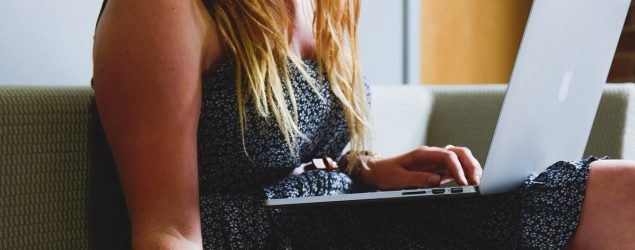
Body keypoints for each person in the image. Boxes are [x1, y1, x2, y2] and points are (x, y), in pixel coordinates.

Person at [92, 0, 635, 248]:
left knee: (615, 193)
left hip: (337, 218)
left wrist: (366, 172)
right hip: (258, 238)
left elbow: (289, 149)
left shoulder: (329, 4)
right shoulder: (160, 9)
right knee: (615, 197)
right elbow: (167, 229)